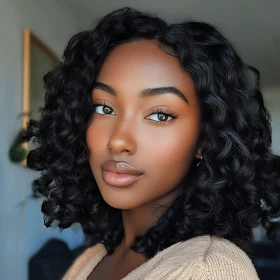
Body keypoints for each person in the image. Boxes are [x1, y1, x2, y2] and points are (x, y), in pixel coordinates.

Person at [22, 7, 280, 280]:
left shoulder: (207, 271)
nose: (118, 140)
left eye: (160, 115)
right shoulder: (95, 257)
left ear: (204, 140)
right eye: (104, 108)